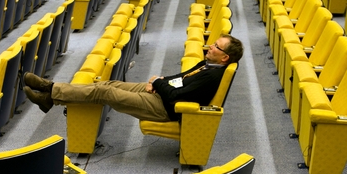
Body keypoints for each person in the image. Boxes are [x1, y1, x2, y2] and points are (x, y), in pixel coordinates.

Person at [23, 35, 244, 122]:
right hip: (162, 94)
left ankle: (49, 90)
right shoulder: (208, 63)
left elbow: (177, 97)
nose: (210, 46)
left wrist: (157, 84)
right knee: (108, 84)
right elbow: (181, 78)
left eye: (216, 46)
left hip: (166, 108)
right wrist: (160, 80)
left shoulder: (213, 75)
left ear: (225, 57)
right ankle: (50, 97)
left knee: (104, 92)